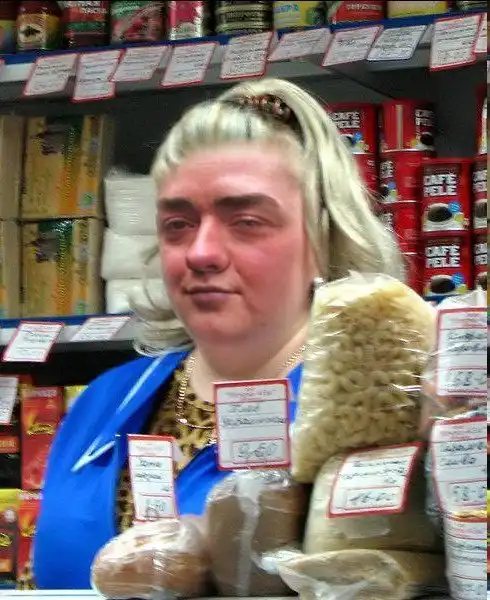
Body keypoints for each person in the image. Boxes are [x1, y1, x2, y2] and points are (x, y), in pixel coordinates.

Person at [26, 78, 403, 590]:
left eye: (245, 221)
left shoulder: (372, 408)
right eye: (178, 224)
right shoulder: (104, 400)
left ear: (322, 237)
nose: (201, 252)